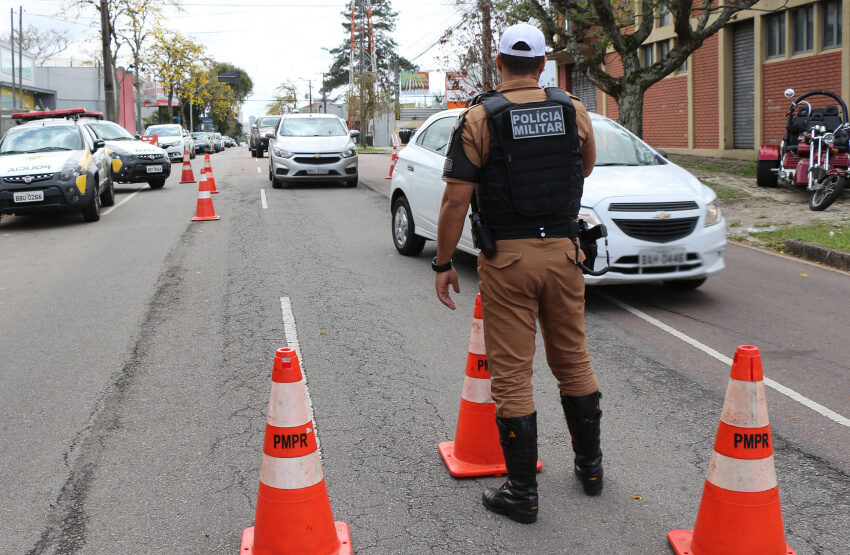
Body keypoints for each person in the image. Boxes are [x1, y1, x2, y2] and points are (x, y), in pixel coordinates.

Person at [433, 22, 602, 524]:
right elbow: (585, 167)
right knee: (572, 359)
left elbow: (456, 198)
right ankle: (591, 469)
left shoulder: (480, 117)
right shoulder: (572, 109)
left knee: (511, 376)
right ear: (543, 64)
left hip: (507, 259)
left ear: (500, 63)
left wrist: (442, 263)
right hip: (566, 254)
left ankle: (522, 493)